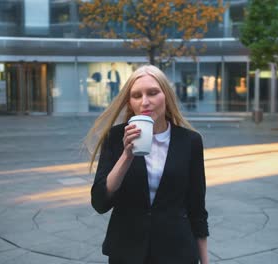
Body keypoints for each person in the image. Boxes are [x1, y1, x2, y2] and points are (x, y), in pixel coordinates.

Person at [85, 65, 209, 264]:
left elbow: (197, 208)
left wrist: (205, 261)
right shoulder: (117, 137)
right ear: (129, 102)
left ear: (166, 96)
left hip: (176, 251)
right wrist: (127, 155)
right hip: (126, 251)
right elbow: (100, 202)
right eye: (136, 95)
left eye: (153, 93)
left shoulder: (190, 141)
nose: (145, 102)